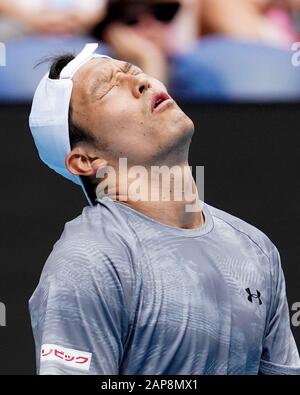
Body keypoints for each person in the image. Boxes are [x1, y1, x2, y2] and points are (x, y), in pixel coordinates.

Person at [28, 43, 300, 375]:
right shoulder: (88, 259)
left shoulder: (257, 250)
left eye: (131, 69)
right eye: (106, 87)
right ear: (86, 160)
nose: (142, 82)